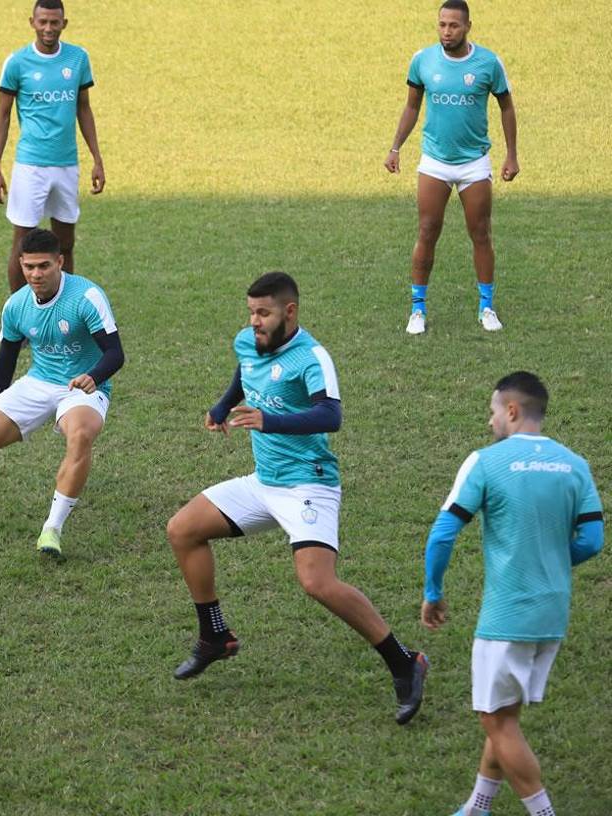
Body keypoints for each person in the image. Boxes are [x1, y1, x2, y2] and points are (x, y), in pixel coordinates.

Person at [165, 272, 428, 724]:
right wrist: (222, 406)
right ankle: (215, 635)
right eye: (251, 312)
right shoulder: (248, 341)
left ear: (290, 312)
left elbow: (331, 415)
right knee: (182, 530)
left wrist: (269, 421)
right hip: (264, 483)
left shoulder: (312, 357)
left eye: (263, 313)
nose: (254, 322)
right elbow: (245, 372)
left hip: (309, 484)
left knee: (317, 583)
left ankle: (406, 662)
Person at [422, 372, 602, 816]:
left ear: (513, 410)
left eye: (492, 411)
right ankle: (477, 807)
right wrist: (550, 562)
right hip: (552, 613)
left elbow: (442, 534)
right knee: (504, 715)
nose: (490, 421)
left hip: (507, 615)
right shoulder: (575, 464)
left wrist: (433, 591)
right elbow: (592, 541)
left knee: (497, 722)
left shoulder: (486, 462)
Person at [0, 228, 123, 557]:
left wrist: (93, 376)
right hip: (38, 381)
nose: (36, 274)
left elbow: (115, 353)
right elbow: (6, 359)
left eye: (44, 266)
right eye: (29, 266)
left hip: (82, 385)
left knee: (80, 436)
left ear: (60, 262)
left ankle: (52, 529)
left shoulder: (86, 296)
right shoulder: (16, 305)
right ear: (20, 263)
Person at [384, 0, 518, 334]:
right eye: (442, 24)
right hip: (435, 162)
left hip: (474, 163)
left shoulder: (488, 63)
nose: (447, 31)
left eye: (454, 25)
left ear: (468, 26)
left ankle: (486, 307)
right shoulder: (423, 60)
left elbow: (506, 107)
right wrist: (395, 147)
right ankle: (417, 309)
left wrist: (511, 155)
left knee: (481, 232)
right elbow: (412, 107)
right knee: (427, 230)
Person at [0, 0, 105, 293]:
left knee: (65, 243)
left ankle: (63, 307)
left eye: (54, 22)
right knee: (22, 244)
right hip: (30, 165)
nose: (48, 28)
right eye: (42, 22)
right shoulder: (17, 62)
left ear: (64, 24)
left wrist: (97, 158)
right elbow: (3, 115)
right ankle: (18, 312)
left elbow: (83, 108)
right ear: (32, 22)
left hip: (67, 164)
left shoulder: (78, 59)